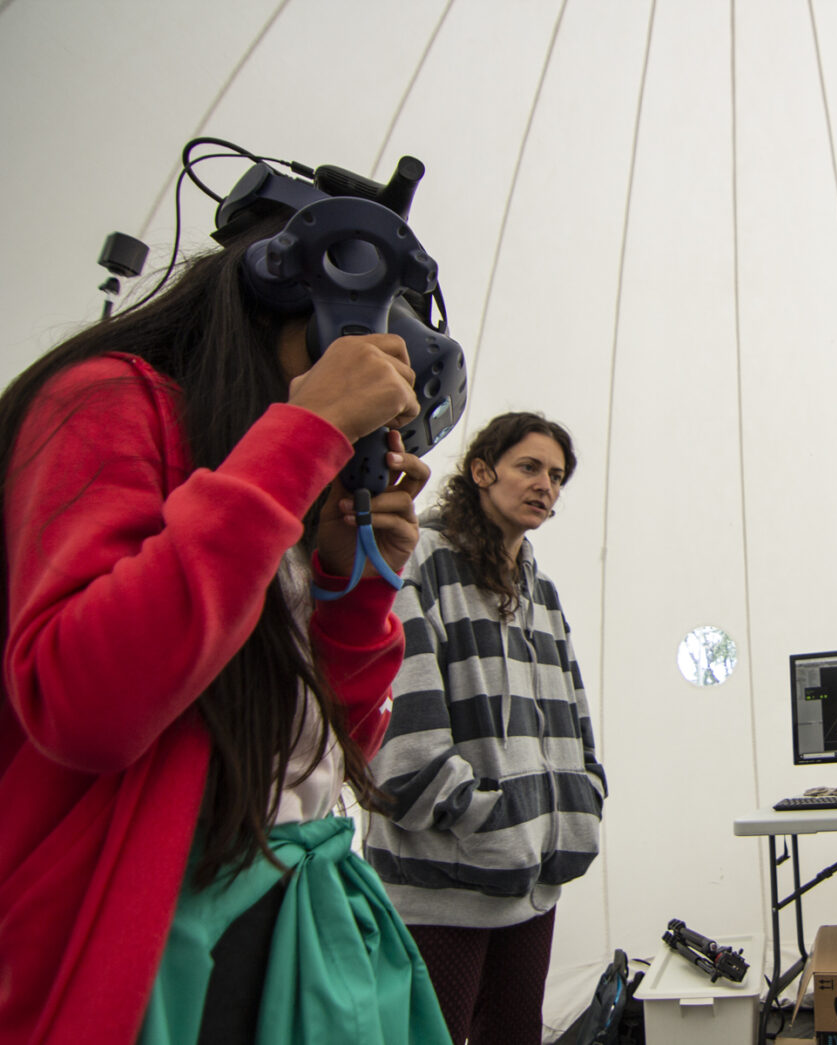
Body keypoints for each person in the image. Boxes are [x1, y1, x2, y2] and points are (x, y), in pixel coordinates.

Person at [0, 212, 451, 1045]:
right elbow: (87, 704)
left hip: (285, 932)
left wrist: (351, 588)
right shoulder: (109, 402)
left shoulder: (264, 479)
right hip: (157, 950)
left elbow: (324, 749)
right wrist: (305, 437)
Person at [363, 411, 607, 1045]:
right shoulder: (419, 556)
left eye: (556, 476)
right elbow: (399, 725)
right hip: (444, 879)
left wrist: (584, 796)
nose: (545, 486)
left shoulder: (540, 587)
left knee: (515, 1035)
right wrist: (481, 817)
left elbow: (573, 710)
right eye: (529, 467)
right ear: (481, 470)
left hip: (535, 877)